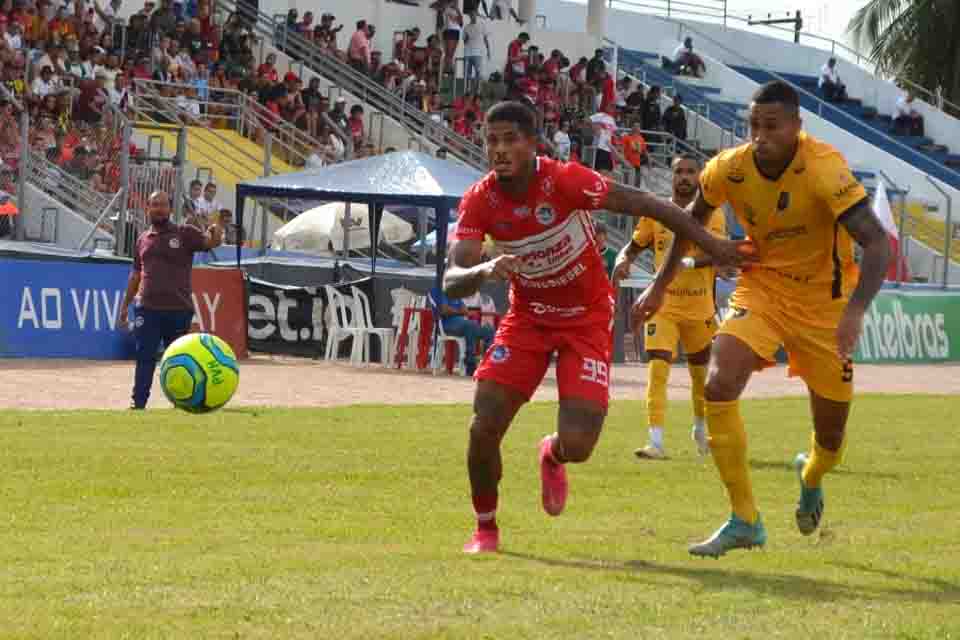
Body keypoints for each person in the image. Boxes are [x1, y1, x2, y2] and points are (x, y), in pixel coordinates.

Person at [444, 101, 747, 554]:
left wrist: (712, 244)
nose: (500, 149)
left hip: (587, 316)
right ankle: (485, 528)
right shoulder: (480, 200)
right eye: (492, 140)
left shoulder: (566, 180)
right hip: (528, 316)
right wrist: (486, 268)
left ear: (533, 143)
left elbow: (650, 205)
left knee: (580, 444)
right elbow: (452, 280)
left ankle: (553, 453)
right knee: (483, 425)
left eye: (511, 139)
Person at [633, 81, 890, 557]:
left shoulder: (824, 169)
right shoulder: (729, 169)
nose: (760, 136)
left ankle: (810, 475)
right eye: (754, 125)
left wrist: (855, 311)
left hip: (825, 307)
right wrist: (659, 284)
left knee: (831, 442)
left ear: (797, 127)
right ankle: (745, 519)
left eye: (772, 126)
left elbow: (878, 243)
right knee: (718, 383)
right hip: (763, 290)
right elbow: (688, 222)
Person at [613, 155, 726, 459]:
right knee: (658, 368)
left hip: (700, 305)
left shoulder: (713, 214)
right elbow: (635, 243)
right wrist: (624, 258)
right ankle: (656, 441)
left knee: (700, 376)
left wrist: (687, 261)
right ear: (672, 176)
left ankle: (701, 427)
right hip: (663, 303)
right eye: (679, 172)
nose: (684, 177)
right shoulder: (656, 213)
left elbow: (719, 253)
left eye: (691, 172)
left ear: (700, 176)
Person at [119, 191, 224, 410]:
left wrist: (216, 230)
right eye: (154, 205)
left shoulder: (184, 232)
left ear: (170, 208)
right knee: (144, 356)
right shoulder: (142, 239)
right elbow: (135, 275)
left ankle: (181, 401)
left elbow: (211, 242)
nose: (159, 208)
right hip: (147, 309)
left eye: (163, 205)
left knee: (179, 361)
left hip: (178, 309)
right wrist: (125, 305)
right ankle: (138, 403)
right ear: (148, 208)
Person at [429, 285, 495, 376]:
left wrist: (457, 311)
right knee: (470, 325)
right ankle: (470, 363)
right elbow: (444, 310)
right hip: (445, 324)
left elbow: (464, 309)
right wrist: (459, 311)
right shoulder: (438, 290)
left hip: (461, 323)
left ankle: (488, 365)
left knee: (489, 330)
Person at [462, 12, 490, 93]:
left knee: (478, 72)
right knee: (467, 73)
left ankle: (478, 90)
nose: (473, 16)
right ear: (470, 16)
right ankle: (467, 89)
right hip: (468, 53)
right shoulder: (467, 27)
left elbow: (485, 39)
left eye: (474, 15)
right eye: (471, 15)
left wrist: (488, 50)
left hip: (478, 53)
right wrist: (467, 38)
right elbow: (465, 41)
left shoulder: (481, 25)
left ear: (476, 15)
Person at [619, 123, 649, 188]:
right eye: (635, 126)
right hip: (627, 162)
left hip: (637, 163)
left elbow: (644, 151)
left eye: (638, 126)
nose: (637, 128)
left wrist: (649, 160)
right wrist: (623, 160)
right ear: (632, 127)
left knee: (637, 182)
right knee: (626, 182)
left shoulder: (641, 139)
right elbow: (622, 149)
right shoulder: (626, 137)